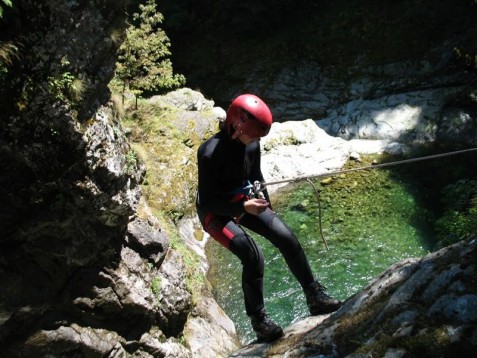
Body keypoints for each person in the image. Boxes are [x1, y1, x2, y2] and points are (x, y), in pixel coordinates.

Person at [196, 94, 342, 343]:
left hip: (244, 201)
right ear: (235, 125)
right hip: (216, 211)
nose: (255, 140)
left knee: (284, 235)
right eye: (253, 135)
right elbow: (208, 201)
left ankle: (314, 295)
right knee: (252, 255)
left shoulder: (252, 143)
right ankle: (259, 320)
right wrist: (244, 206)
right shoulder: (209, 153)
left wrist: (267, 207)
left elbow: (256, 174)